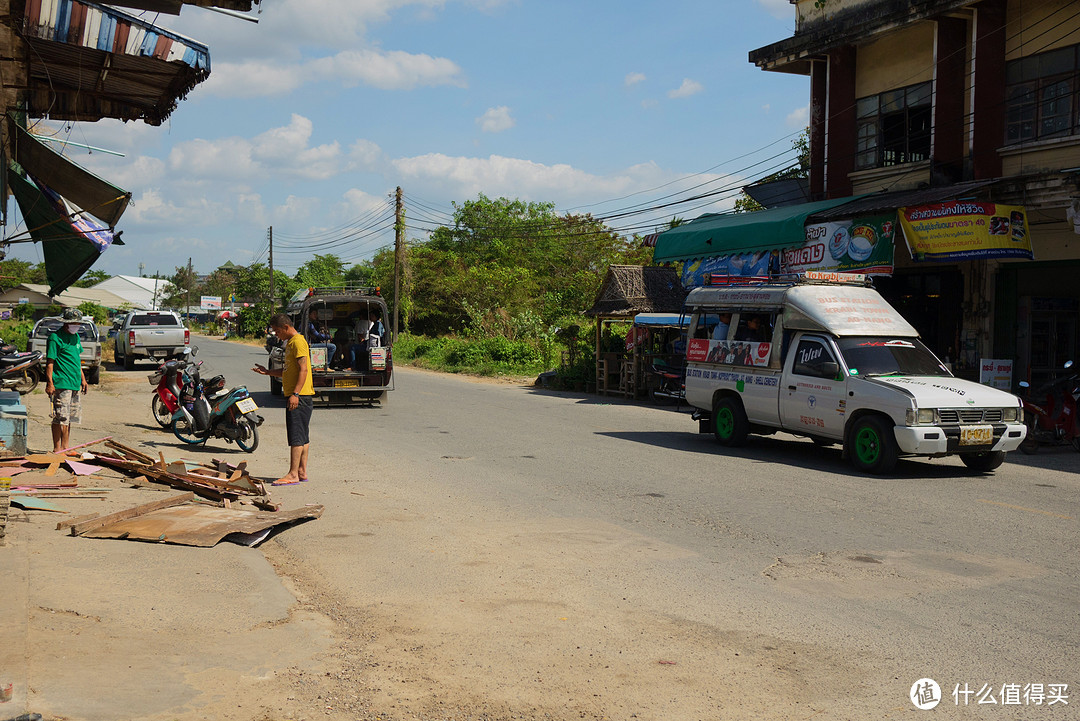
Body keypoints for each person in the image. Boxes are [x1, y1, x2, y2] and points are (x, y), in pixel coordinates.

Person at [252, 314, 314, 485]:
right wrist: (267, 372)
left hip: (299, 396)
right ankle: (301, 471)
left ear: (286, 327)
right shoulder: (291, 343)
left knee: (296, 436)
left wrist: (295, 394)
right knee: (302, 435)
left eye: (278, 331)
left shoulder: (298, 342)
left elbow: (303, 370)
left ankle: (293, 474)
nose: (277, 335)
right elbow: (288, 371)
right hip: (300, 395)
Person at [45, 308, 88, 453]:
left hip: (74, 383)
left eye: (78, 323)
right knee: (60, 417)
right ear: (66, 323)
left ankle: (66, 447)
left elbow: (77, 360)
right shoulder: (55, 338)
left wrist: (83, 380)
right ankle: (57, 448)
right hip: (62, 383)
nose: (76, 325)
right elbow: (50, 362)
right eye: (73, 322)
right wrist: (50, 383)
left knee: (70, 418)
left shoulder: (75, 337)